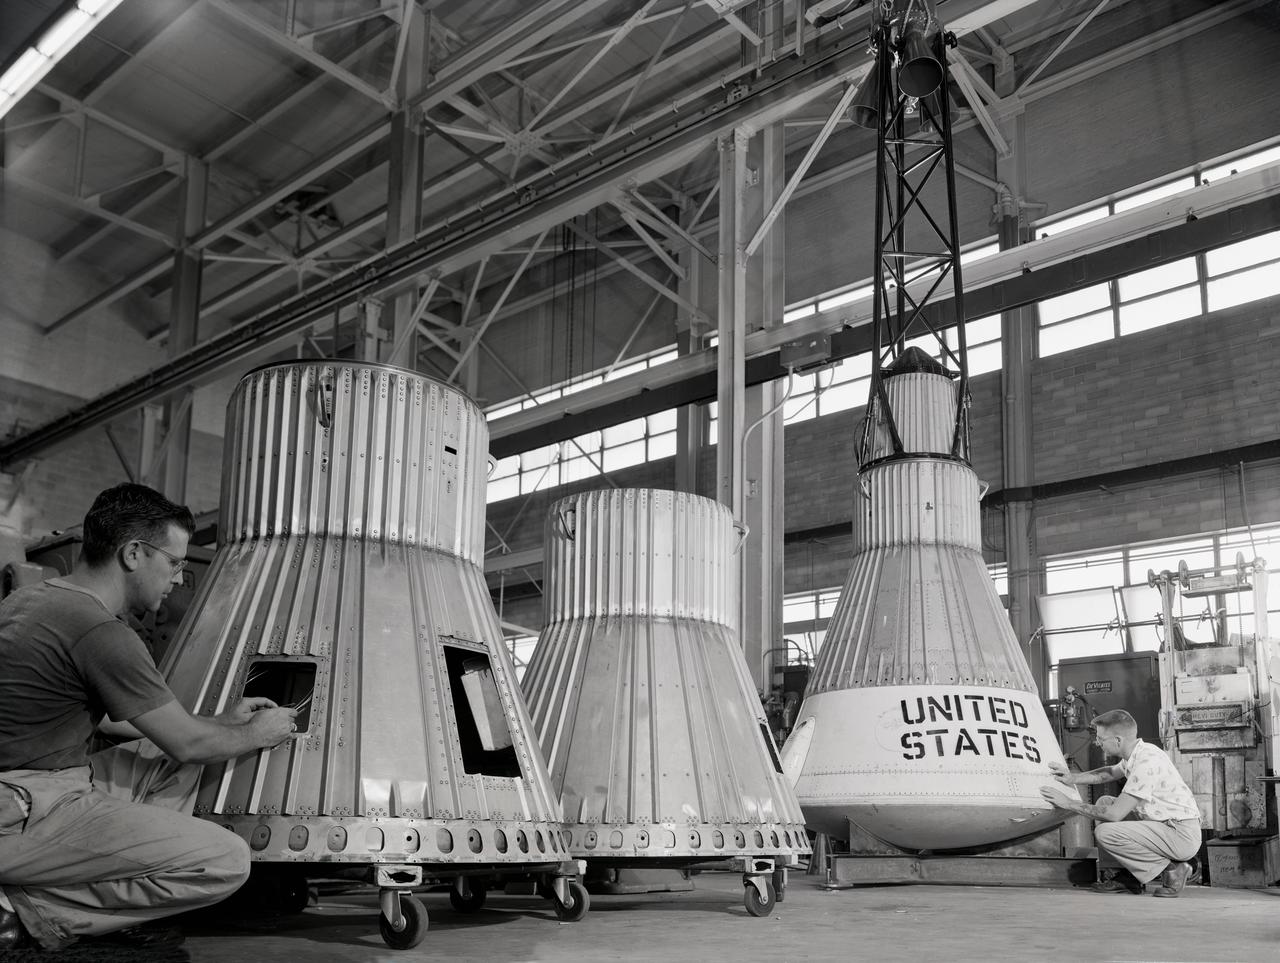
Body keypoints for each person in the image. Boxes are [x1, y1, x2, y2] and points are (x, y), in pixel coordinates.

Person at [0, 483, 297, 953]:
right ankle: (24, 912)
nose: (178, 578)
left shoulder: (34, 600)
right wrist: (259, 734)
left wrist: (222, 721)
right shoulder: (101, 631)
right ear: (134, 553)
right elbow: (190, 744)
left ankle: (91, 892)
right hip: (27, 809)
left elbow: (124, 724)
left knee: (165, 760)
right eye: (175, 563)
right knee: (225, 860)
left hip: (28, 786)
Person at [1039, 708, 1201, 897]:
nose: (1097, 742)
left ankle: (1172, 870)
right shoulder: (1137, 753)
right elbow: (1108, 773)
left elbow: (1113, 815)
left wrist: (1068, 803)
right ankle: (1126, 877)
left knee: (1105, 831)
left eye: (1101, 738)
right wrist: (1071, 778)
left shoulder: (1146, 763)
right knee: (1105, 800)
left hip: (1180, 834)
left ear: (1118, 740)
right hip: (1164, 825)